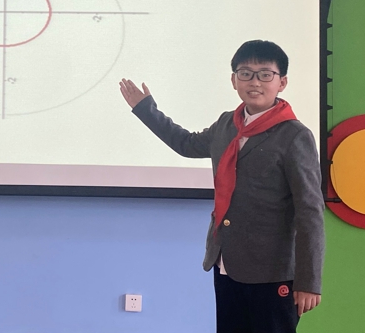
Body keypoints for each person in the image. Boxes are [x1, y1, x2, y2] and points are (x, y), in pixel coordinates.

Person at [119, 40, 325, 333]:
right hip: (226, 260)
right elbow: (186, 144)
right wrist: (146, 110)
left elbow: (310, 211)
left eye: (265, 74)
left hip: (273, 270)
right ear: (234, 80)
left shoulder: (294, 136)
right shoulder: (228, 124)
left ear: (282, 82)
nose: (255, 82)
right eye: (246, 73)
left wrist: (308, 281)